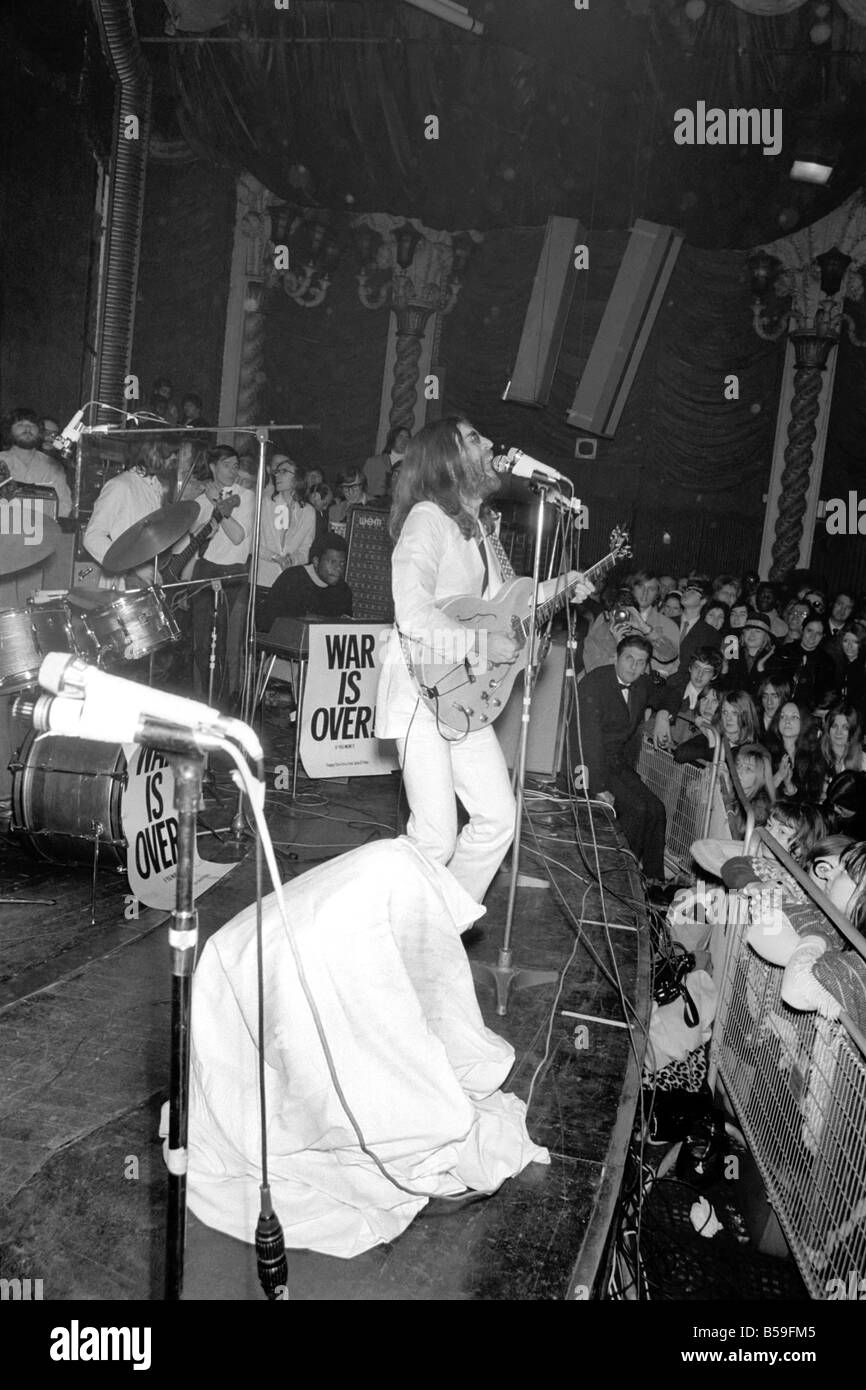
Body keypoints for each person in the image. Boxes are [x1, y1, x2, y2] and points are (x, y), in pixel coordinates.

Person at [375, 416, 592, 903]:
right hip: (420, 689)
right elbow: (411, 613)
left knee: (497, 819)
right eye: (475, 438)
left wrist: (565, 583)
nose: (491, 442)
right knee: (434, 837)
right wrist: (477, 646)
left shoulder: (477, 531)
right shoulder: (427, 518)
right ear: (447, 460)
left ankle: (444, 920)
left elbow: (505, 603)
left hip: (462, 695)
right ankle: (384, 922)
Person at [577, 634, 668, 884]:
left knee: (657, 809)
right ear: (616, 657)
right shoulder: (593, 684)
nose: (634, 667)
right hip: (590, 764)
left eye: (641, 662)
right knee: (637, 809)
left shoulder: (642, 682)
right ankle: (620, 877)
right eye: (629, 659)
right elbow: (588, 740)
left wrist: (662, 713)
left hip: (618, 762)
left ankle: (654, 879)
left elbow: (663, 685)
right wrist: (598, 787)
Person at [190, 446, 256, 704]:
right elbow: (194, 539)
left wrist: (218, 504)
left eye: (236, 465)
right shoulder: (200, 499)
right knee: (201, 644)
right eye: (227, 464)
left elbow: (238, 536)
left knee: (228, 644)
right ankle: (200, 702)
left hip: (233, 572)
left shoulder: (246, 496)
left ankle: (228, 704)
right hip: (206, 570)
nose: (233, 470)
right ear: (214, 467)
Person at [83, 441, 169, 586]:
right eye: (163, 452)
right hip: (123, 582)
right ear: (146, 452)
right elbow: (92, 537)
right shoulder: (120, 485)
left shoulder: (157, 486)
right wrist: (135, 566)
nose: (171, 458)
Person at [257, 532, 353, 630]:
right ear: (316, 561)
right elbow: (271, 620)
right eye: (332, 562)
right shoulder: (292, 579)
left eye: (342, 564)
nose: (338, 568)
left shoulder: (343, 590)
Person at [257, 455, 315, 592]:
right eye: (277, 472)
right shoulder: (266, 503)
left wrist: (291, 560)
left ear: (298, 478)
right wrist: (276, 558)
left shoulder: (307, 511)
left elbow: (306, 549)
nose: (278, 476)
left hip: (290, 581)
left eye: (284, 472)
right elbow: (254, 544)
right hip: (263, 579)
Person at [0, 408, 72, 516]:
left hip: (42, 529)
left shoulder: (53, 466)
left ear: (39, 432)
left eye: (32, 425)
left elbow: (64, 507)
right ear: (9, 430)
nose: (28, 428)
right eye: (21, 424)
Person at [676, 578, 722, 669]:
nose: (686, 593)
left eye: (693, 592)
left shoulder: (710, 634)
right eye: (687, 590)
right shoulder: (668, 621)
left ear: (703, 601)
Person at [364, 424, 411, 500]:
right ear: (392, 439)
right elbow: (363, 487)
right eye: (400, 436)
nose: (404, 441)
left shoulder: (413, 466)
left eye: (407, 438)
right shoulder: (373, 462)